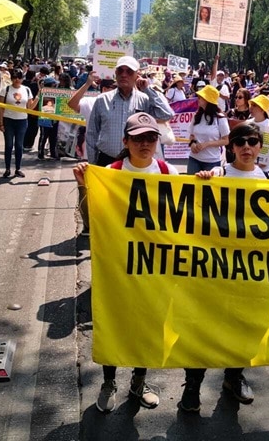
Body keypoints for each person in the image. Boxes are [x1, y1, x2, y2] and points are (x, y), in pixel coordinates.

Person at [74, 112, 176, 412]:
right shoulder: (111, 173)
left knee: (148, 326)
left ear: (158, 141)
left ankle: (138, 382)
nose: (145, 144)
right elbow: (95, 220)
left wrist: (206, 181)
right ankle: (109, 382)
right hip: (117, 267)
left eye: (151, 138)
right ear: (126, 141)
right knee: (113, 324)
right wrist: (84, 184)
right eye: (138, 138)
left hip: (155, 267)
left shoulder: (169, 172)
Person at [179, 122, 265, 411]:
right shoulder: (217, 174)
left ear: (259, 146)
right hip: (213, 271)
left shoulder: (267, 180)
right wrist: (201, 182)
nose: (246, 147)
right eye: (240, 141)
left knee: (243, 327)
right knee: (203, 328)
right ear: (231, 147)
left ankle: (234, 377)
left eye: (252, 141)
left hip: (248, 274)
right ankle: (192, 387)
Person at [85, 56, 173, 167]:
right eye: (120, 70)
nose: (124, 75)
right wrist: (93, 165)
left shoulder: (144, 100)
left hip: (135, 162)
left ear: (137, 75)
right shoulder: (102, 100)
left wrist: (147, 89)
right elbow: (92, 134)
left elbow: (167, 115)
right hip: (106, 160)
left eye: (129, 71)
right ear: (115, 73)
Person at [0, 68, 38, 178]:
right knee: (9, 145)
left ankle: (18, 168)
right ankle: (7, 169)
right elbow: (0, 107)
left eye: (19, 78)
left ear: (22, 78)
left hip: (22, 121)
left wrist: (38, 97)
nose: (17, 80)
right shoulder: (5, 89)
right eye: (14, 77)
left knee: (19, 146)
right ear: (11, 78)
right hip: (8, 120)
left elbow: (30, 107)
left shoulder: (27, 90)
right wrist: (0, 123)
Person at [187, 85, 230, 174]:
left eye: (201, 97)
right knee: (190, 187)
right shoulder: (197, 115)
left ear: (208, 100)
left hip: (212, 161)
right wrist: (192, 144)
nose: (198, 99)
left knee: (208, 188)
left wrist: (207, 144)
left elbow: (226, 140)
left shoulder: (220, 118)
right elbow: (191, 135)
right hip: (194, 159)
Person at [246, 94, 269, 178]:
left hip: (263, 172)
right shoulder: (247, 123)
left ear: (262, 110)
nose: (251, 108)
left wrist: (260, 164)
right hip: (246, 168)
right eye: (251, 105)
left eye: (254, 105)